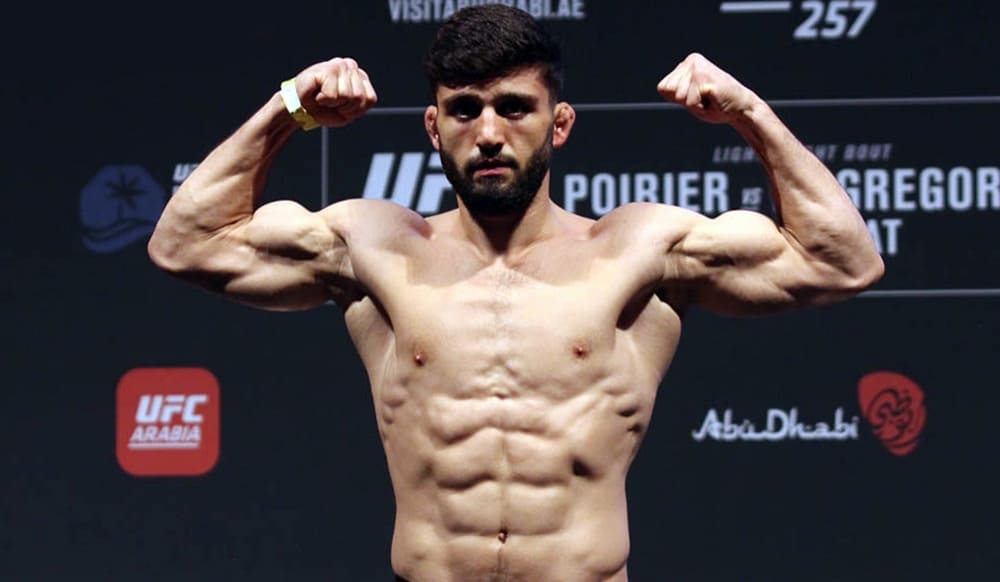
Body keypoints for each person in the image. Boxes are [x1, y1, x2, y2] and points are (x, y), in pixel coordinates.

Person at [148, 5, 883, 581]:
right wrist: (290, 107)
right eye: (465, 110)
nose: (490, 132)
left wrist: (747, 112)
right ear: (434, 128)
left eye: (514, 107)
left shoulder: (640, 251)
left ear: (559, 124)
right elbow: (185, 244)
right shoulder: (372, 247)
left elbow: (843, 262)